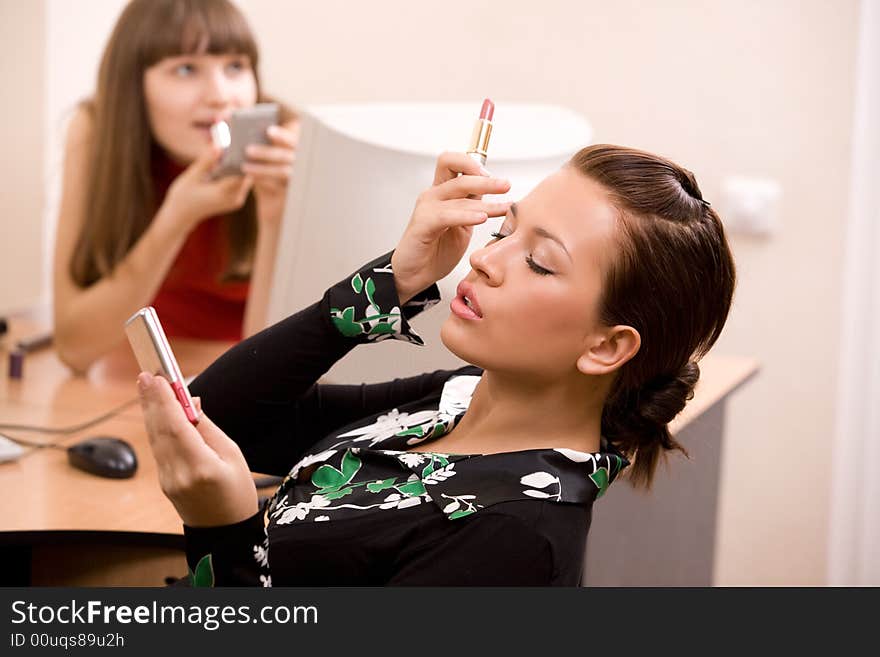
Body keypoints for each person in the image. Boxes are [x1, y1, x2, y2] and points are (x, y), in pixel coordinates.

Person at [137, 145, 737, 586]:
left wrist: (224, 534)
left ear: (605, 347)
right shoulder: (460, 400)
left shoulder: (516, 538)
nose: (485, 259)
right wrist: (395, 280)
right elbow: (223, 415)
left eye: (541, 263)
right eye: (504, 229)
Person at [53, 0, 297, 373]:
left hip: (233, 378)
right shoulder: (95, 133)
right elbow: (75, 350)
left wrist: (274, 215)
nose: (220, 95)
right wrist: (175, 218)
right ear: (133, 86)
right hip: (145, 373)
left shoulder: (288, 148)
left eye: (235, 66)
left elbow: (268, 373)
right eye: (186, 69)